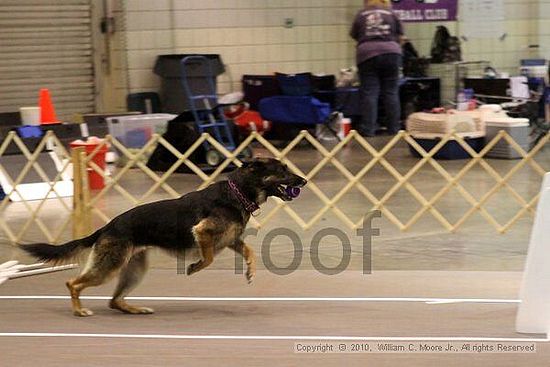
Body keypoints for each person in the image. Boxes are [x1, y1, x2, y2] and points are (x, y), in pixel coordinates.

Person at [350, 0, 404, 137]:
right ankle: (394, 129)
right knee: (391, 92)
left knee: (370, 93)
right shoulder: (392, 13)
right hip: (392, 53)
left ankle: (369, 129)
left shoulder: (361, 14)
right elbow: (401, 36)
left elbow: (354, 35)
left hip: (367, 54)